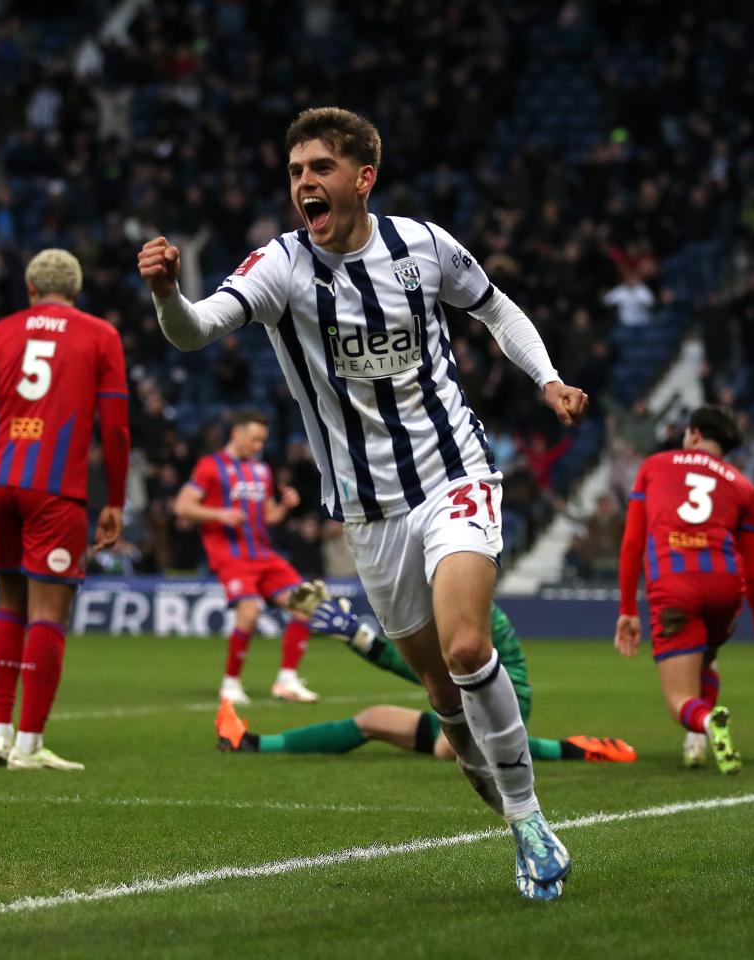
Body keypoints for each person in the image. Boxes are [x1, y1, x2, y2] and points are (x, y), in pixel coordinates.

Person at [139, 107, 588, 900]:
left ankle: (529, 818)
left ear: (361, 178)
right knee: (442, 694)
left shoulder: (424, 246)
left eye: (319, 168)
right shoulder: (279, 265)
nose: (304, 183)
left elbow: (496, 307)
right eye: (295, 171)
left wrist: (545, 377)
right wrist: (167, 295)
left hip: (455, 474)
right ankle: (506, 803)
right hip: (368, 511)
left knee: (465, 647)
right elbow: (195, 331)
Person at [0, 249, 130, 772]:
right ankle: (28, 744)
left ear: (29, 287)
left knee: (8, 604)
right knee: (49, 613)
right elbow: (115, 428)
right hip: (55, 490)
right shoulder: (100, 335)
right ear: (77, 289)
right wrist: (115, 500)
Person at [217, 592, 636, 765]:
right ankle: (248, 742)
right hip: (465, 694)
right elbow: (426, 669)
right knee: (372, 718)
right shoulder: (437, 595)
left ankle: (574, 749)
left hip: (503, 696)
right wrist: (354, 635)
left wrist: (357, 637)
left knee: (445, 747)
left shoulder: (463, 605)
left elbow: (428, 670)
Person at [614, 405, 754, 774]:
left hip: (675, 586)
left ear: (694, 434)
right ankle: (696, 744)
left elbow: (632, 543)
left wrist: (627, 609)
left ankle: (705, 723)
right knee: (708, 654)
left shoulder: (655, 466)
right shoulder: (744, 486)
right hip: (725, 589)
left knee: (680, 701)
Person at [175, 409, 318, 704]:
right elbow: (182, 506)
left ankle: (287, 681)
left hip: (263, 553)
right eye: (254, 439)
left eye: (262, 441)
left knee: (305, 602)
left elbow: (268, 516)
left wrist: (286, 506)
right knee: (249, 611)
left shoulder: (261, 470)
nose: (258, 446)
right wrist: (219, 513)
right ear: (236, 434)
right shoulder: (209, 467)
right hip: (231, 555)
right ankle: (230, 684)